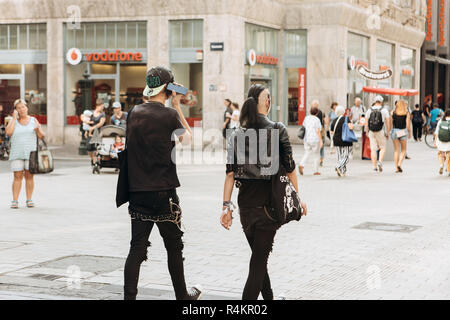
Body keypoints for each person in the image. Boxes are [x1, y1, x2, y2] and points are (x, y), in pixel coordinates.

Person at [221, 84, 307, 300]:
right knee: (258, 263)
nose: (269, 100)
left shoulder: (236, 134)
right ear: (263, 102)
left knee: (259, 259)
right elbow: (290, 169)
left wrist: (225, 207)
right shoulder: (277, 129)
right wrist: (298, 199)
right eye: (267, 97)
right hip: (268, 207)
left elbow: (230, 175)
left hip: (245, 209)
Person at [122, 66, 201, 300]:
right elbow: (188, 140)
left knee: (136, 248)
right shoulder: (169, 115)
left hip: (137, 191)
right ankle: (182, 296)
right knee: (174, 247)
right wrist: (177, 106)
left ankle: (129, 298)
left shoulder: (134, 112)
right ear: (168, 89)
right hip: (163, 192)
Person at [5, 99, 45, 209]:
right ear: (15, 110)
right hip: (17, 153)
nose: (21, 109)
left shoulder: (33, 120)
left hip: (31, 153)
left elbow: (42, 136)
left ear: (27, 108)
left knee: (29, 176)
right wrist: (13, 118)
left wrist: (38, 130)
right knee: (17, 176)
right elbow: (9, 132)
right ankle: (15, 200)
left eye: (23, 107)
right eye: (19, 108)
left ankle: (29, 199)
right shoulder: (13, 121)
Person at [365, 95, 391, 172]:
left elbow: (366, 123)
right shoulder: (384, 110)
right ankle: (380, 162)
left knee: (373, 149)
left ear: (374, 101)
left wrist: (367, 132)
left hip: (371, 131)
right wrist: (388, 132)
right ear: (381, 102)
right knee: (382, 147)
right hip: (380, 131)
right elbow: (388, 122)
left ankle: (374, 166)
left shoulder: (369, 110)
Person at [298, 105, 323, 176]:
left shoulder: (306, 118)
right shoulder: (317, 120)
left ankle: (301, 164)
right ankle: (316, 171)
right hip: (315, 139)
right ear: (317, 113)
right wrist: (320, 140)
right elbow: (318, 131)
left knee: (307, 152)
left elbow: (304, 127)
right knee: (316, 155)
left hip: (306, 139)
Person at [81, 99, 106, 167]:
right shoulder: (91, 113)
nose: (102, 108)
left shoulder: (102, 114)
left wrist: (93, 128)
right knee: (89, 148)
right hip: (90, 132)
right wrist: (86, 130)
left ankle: (95, 163)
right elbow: (85, 120)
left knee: (96, 148)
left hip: (98, 133)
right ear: (98, 106)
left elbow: (101, 123)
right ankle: (93, 159)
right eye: (102, 106)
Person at [330, 106, 353, 177]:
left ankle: (343, 172)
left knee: (340, 156)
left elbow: (331, 132)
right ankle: (339, 167)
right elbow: (351, 127)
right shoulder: (346, 119)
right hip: (346, 140)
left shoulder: (334, 120)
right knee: (347, 156)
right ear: (343, 112)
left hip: (336, 140)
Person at [390, 100, 412, 173]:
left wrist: (390, 131)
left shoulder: (393, 113)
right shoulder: (406, 113)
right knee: (403, 150)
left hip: (395, 131)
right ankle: (399, 164)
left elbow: (391, 123)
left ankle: (396, 168)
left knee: (396, 150)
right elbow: (408, 125)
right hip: (402, 131)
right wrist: (409, 132)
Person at [434, 109, 450, 175]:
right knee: (448, 154)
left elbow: (436, 132)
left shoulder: (440, 121)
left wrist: (435, 141)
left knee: (440, 152)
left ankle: (441, 164)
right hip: (448, 140)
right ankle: (449, 168)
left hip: (440, 140)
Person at [311, 100, 326, 166]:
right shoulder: (321, 112)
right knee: (321, 146)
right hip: (321, 130)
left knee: (319, 145)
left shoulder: (315, 112)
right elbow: (325, 121)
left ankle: (319, 160)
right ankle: (321, 160)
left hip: (318, 130)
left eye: (313, 104)